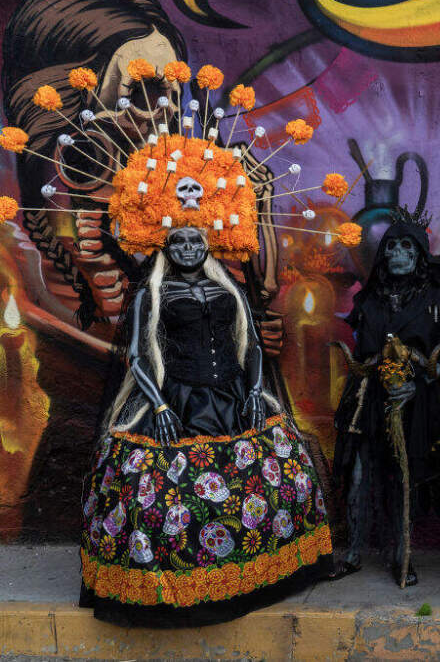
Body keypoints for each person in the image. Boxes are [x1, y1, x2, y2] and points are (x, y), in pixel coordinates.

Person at [79, 227, 334, 627]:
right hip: (177, 399)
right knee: (162, 498)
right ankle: (184, 587)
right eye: (178, 241)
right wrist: (160, 405)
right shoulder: (152, 291)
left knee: (270, 484)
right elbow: (138, 353)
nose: (187, 248)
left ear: (208, 244)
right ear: (165, 246)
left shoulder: (228, 288)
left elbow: (249, 342)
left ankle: (251, 577)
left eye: (195, 241)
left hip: (235, 396)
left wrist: (253, 392)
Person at [331, 208, 440, 587]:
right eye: (393, 247)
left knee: (401, 474)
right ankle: (353, 551)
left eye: (408, 247)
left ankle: (401, 554)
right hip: (367, 398)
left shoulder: (435, 301)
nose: (399, 254)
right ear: (384, 254)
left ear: (420, 255)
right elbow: (361, 348)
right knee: (358, 473)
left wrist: (418, 382)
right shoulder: (370, 298)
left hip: (412, 401)